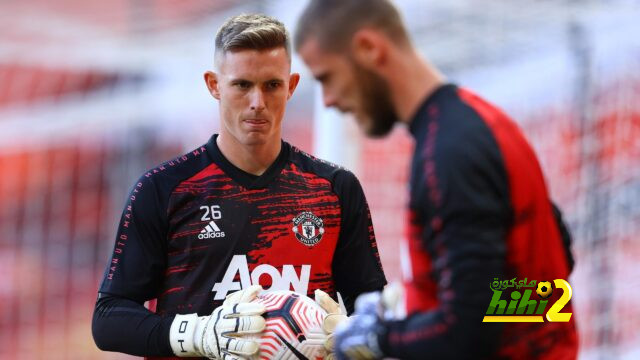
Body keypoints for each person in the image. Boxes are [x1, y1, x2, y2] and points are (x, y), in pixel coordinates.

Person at [92, 14, 386, 359]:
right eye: (242, 85)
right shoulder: (164, 188)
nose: (257, 102)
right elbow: (109, 318)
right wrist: (198, 333)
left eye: (272, 85)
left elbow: (375, 310)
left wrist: (355, 335)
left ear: (291, 86)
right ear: (214, 85)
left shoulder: (334, 189)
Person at [295, 1, 577, 359]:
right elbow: (549, 281)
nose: (329, 101)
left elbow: (466, 332)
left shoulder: (448, 154)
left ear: (369, 48)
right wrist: (420, 307)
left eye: (326, 78)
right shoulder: (485, 121)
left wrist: (381, 336)